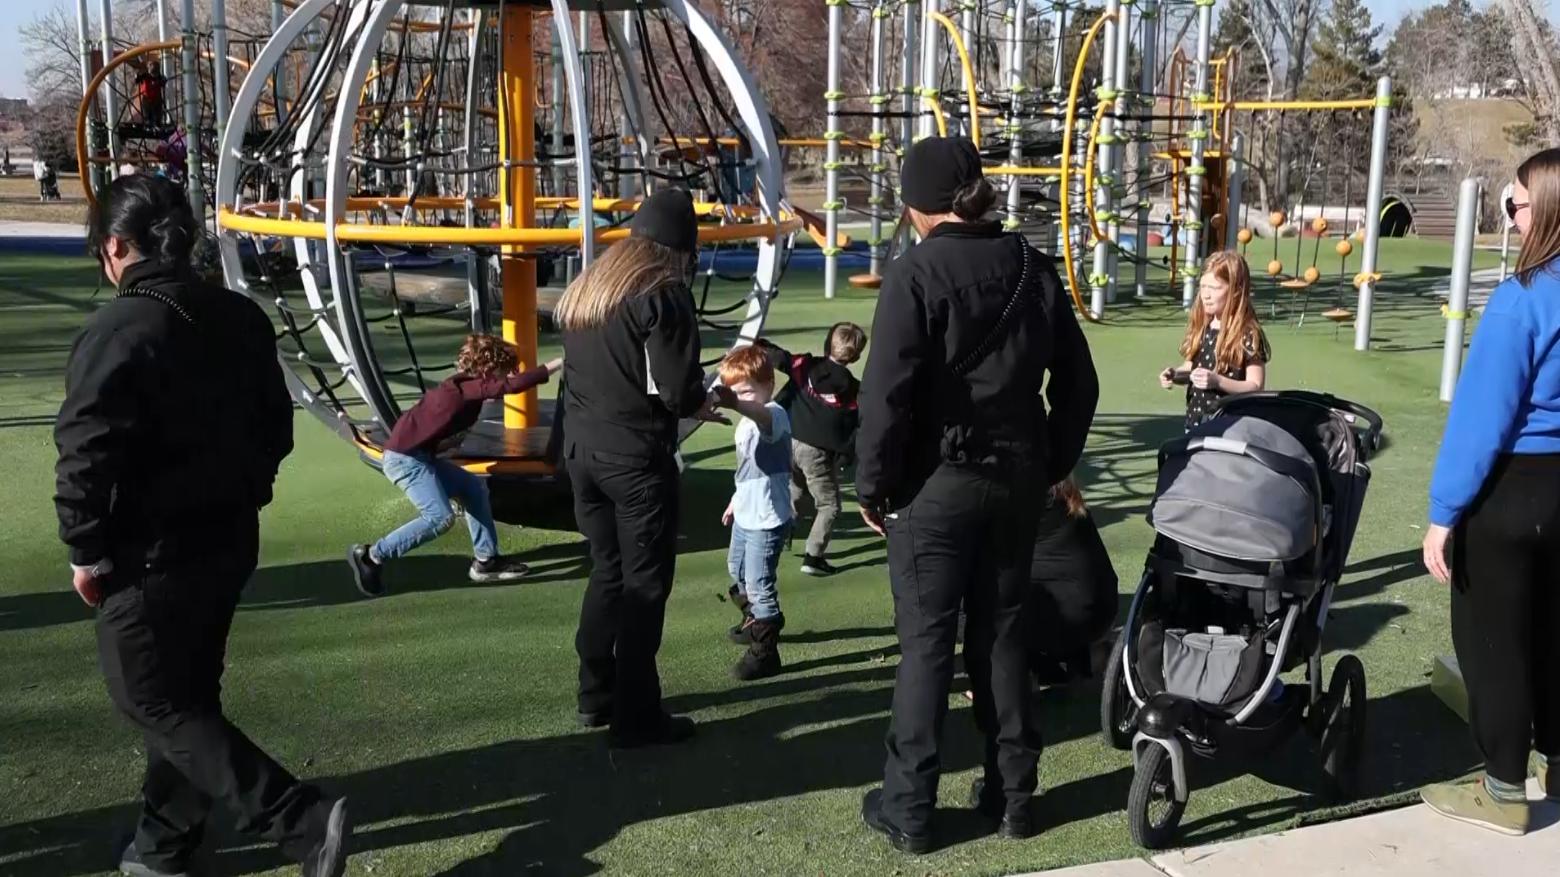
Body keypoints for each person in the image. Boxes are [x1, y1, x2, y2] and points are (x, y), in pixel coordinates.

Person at [53, 174, 348, 877]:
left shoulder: (120, 327)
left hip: (152, 551)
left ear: (115, 247)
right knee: (186, 698)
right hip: (227, 537)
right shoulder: (239, 316)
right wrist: (246, 488)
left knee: (154, 700)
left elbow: (85, 449)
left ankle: (299, 821)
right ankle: (163, 842)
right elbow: (276, 428)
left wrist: (85, 548)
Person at [856, 137, 1099, 852]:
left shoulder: (915, 273)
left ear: (916, 206)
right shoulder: (1031, 265)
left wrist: (873, 485)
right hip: (1017, 478)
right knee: (1003, 634)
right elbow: (1079, 383)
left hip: (935, 484)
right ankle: (1014, 796)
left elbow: (886, 397)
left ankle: (909, 807)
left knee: (927, 646)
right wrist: (1051, 460)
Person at [1421, 146, 1560, 836]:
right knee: (1556, 630)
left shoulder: (1521, 301)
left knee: (1494, 640)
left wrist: (1443, 514)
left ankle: (1504, 787)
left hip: (1514, 489)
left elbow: (1482, 421)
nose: (1511, 214)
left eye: (1517, 204)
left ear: (1546, 211)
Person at [556, 187, 727, 748]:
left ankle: (595, 691)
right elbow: (677, 390)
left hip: (582, 452)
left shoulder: (591, 287)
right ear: (682, 247)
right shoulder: (663, 291)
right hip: (633, 458)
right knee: (645, 587)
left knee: (607, 571)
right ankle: (636, 715)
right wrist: (703, 400)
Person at [347, 334, 561, 596]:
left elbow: (423, 425)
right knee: (439, 518)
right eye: (502, 371)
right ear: (488, 369)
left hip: (420, 457)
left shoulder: (460, 386)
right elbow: (508, 387)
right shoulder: (465, 389)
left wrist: (440, 445)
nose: (504, 377)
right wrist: (557, 364)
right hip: (406, 462)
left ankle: (486, 561)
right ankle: (372, 556)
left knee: (473, 487)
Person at [755, 322, 868, 576]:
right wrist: (846, 456)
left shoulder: (806, 366)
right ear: (856, 356)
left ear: (828, 344)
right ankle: (814, 556)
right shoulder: (854, 390)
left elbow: (779, 358)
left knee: (795, 489)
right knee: (829, 505)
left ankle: (779, 534)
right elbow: (859, 424)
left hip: (788, 440)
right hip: (816, 452)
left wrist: (758, 344)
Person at [716, 346, 793, 680]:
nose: (740, 399)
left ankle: (765, 652)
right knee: (736, 570)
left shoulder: (774, 414)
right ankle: (754, 619)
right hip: (747, 512)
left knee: (759, 585)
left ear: (769, 386)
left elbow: (762, 417)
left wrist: (735, 403)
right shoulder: (745, 424)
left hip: (767, 518)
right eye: (733, 392)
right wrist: (736, 500)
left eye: (746, 391)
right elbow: (748, 471)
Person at [1158, 251, 1269, 430]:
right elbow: (1190, 369)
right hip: (1196, 423)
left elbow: (1255, 386)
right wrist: (1175, 375)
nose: (1206, 295)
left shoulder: (1247, 334)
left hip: (1231, 426)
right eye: (1203, 286)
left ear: (1236, 290)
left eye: (1215, 288)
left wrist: (1218, 381)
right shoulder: (1202, 326)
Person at [1025, 477, 1117, 684]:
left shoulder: (1016, 498)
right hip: (1101, 609)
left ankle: (1010, 673)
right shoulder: (1065, 491)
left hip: (1066, 618)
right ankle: (1079, 658)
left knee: (966, 607)